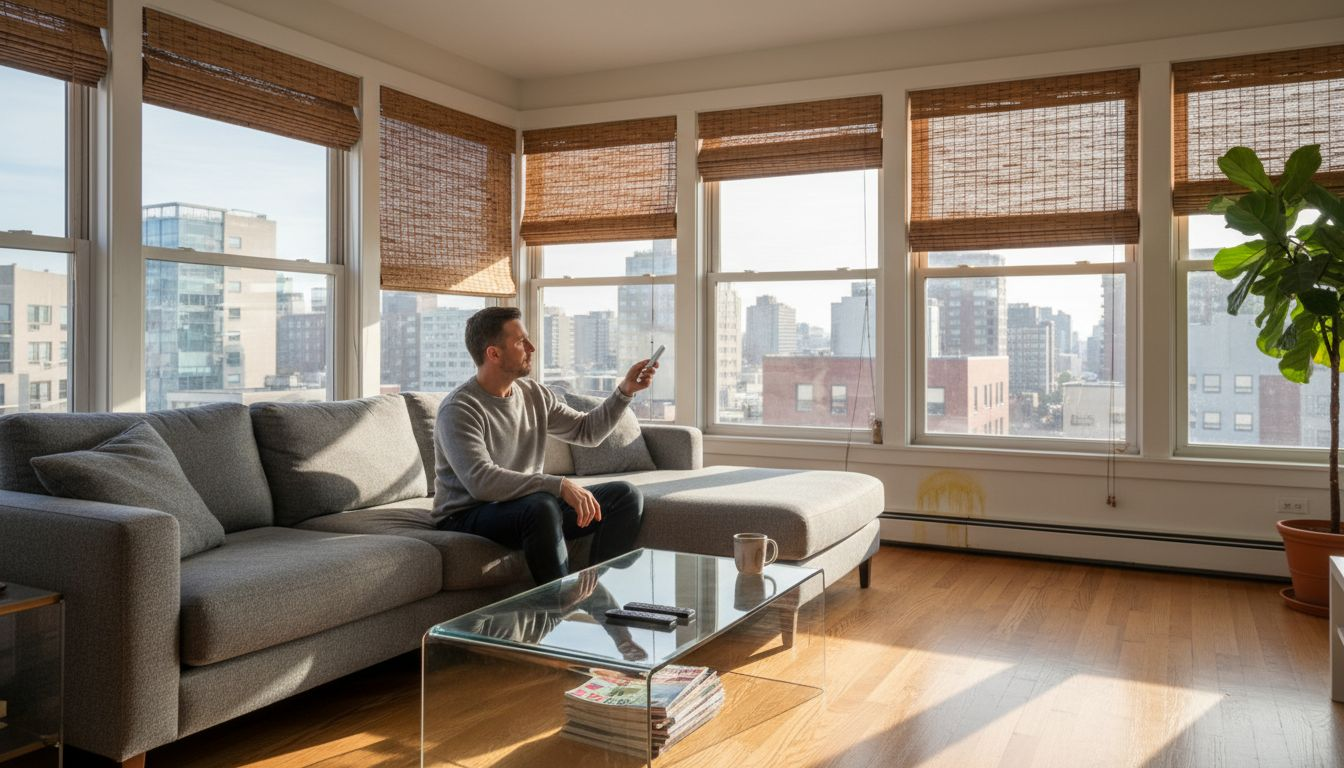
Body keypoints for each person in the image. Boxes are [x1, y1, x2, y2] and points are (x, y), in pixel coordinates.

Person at [432, 306, 657, 585]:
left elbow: (588, 432)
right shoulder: (459, 409)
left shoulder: (533, 394)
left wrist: (624, 391)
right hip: (467, 514)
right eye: (520, 342)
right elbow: (482, 482)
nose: (532, 347)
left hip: (525, 506)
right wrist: (559, 485)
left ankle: (596, 590)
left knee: (625, 496)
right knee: (542, 506)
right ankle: (558, 605)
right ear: (493, 353)